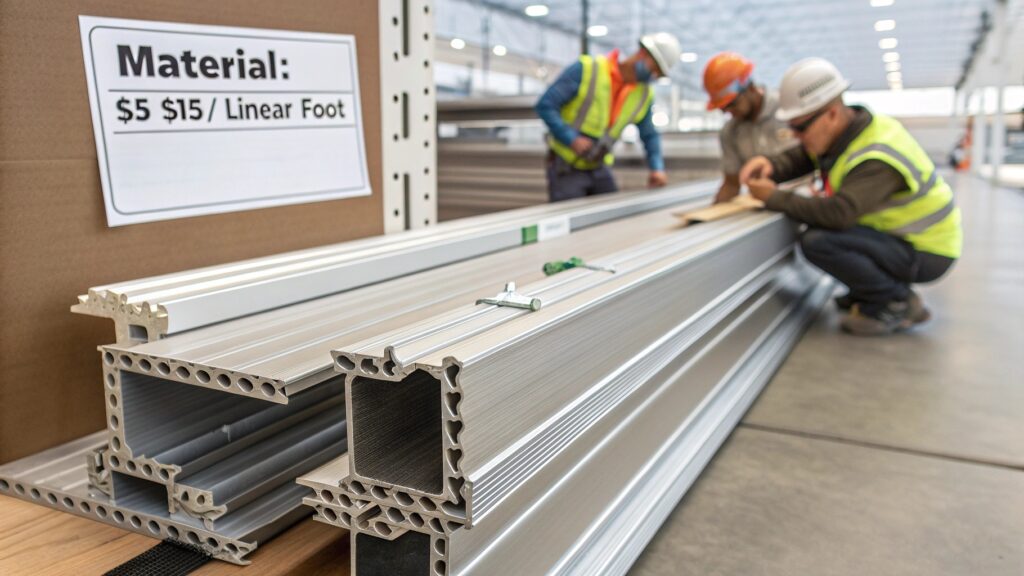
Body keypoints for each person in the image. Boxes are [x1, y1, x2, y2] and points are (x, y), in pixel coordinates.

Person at [738, 58, 962, 336]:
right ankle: (869, 292)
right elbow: (803, 157)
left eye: (800, 128)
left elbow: (838, 214)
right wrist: (771, 165)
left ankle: (895, 302)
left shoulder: (878, 155)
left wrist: (773, 197)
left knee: (819, 241)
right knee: (824, 235)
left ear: (831, 114)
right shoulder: (844, 134)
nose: (796, 136)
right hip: (898, 238)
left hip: (927, 250)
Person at [535, 32, 681, 202]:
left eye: (658, 74)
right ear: (643, 54)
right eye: (654, 69)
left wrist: (657, 168)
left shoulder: (643, 95)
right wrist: (571, 139)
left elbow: (649, 135)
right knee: (569, 222)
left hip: (598, 165)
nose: (654, 76)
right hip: (566, 165)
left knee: (609, 215)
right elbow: (546, 105)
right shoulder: (588, 69)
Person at [703, 52, 797, 204]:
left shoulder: (789, 110)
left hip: (801, 202)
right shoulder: (730, 132)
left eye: (731, 104)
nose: (729, 112)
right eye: (723, 109)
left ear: (750, 88)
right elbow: (732, 184)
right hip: (764, 205)